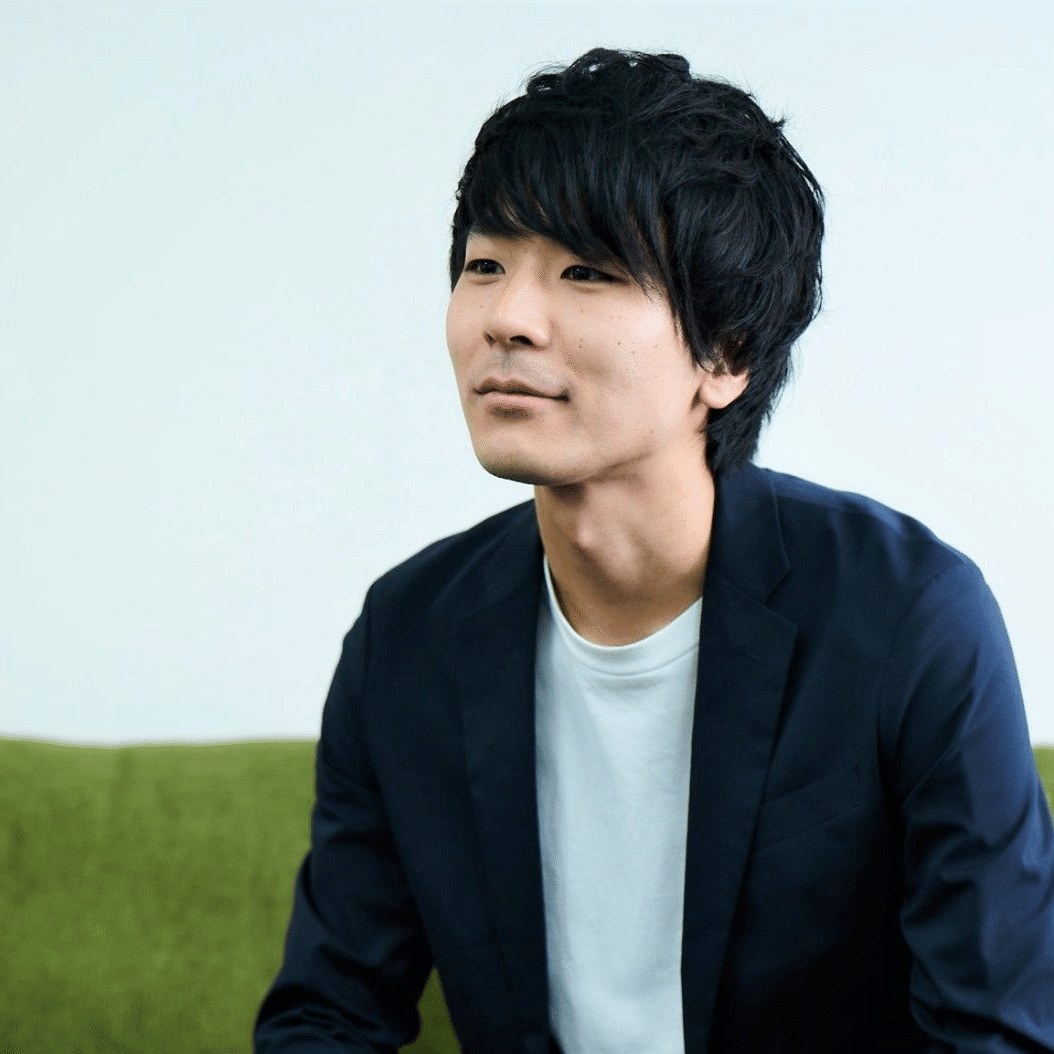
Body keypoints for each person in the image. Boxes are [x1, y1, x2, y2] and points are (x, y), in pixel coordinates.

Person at [254, 48, 1054, 1053]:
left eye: (585, 272)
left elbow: (992, 1031)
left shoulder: (908, 616)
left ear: (726, 354)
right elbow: (329, 1014)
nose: (506, 318)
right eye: (484, 265)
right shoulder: (408, 634)